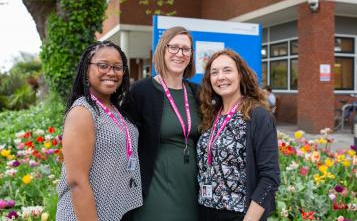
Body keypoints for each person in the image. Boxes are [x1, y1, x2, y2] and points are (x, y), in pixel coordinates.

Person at [56, 41, 142, 220]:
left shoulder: (115, 109)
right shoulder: (83, 112)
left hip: (112, 212)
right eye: (103, 65)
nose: (111, 72)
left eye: (118, 67)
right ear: (86, 70)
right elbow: (77, 181)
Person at [126, 26, 201, 221]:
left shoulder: (198, 92)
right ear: (162, 50)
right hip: (154, 189)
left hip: (192, 189)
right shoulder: (141, 91)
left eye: (186, 49)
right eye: (173, 47)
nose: (180, 54)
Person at [197, 49, 280, 221]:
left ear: (241, 75)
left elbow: (270, 177)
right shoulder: (211, 115)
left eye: (227, 70)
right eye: (214, 72)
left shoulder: (257, 116)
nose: (220, 77)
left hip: (240, 214)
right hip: (205, 211)